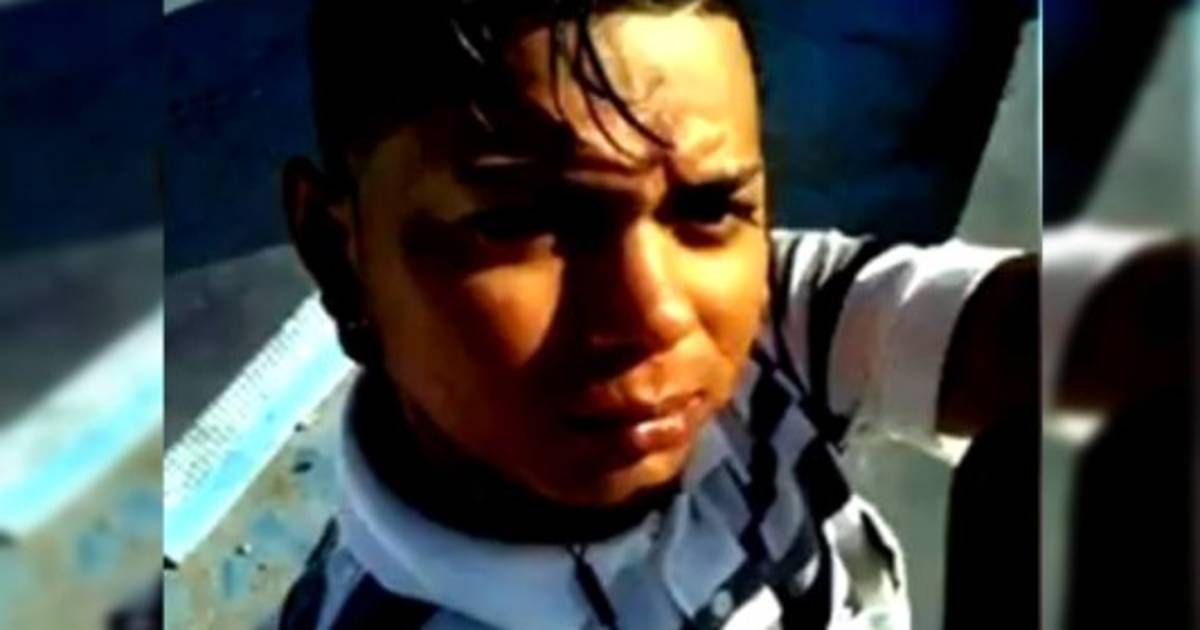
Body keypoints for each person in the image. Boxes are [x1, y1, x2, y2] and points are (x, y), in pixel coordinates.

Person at [276, 1, 1181, 628]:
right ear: (336, 251)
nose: (655, 314)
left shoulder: (768, 325)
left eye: (708, 208)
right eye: (518, 223)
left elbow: (1055, 333)